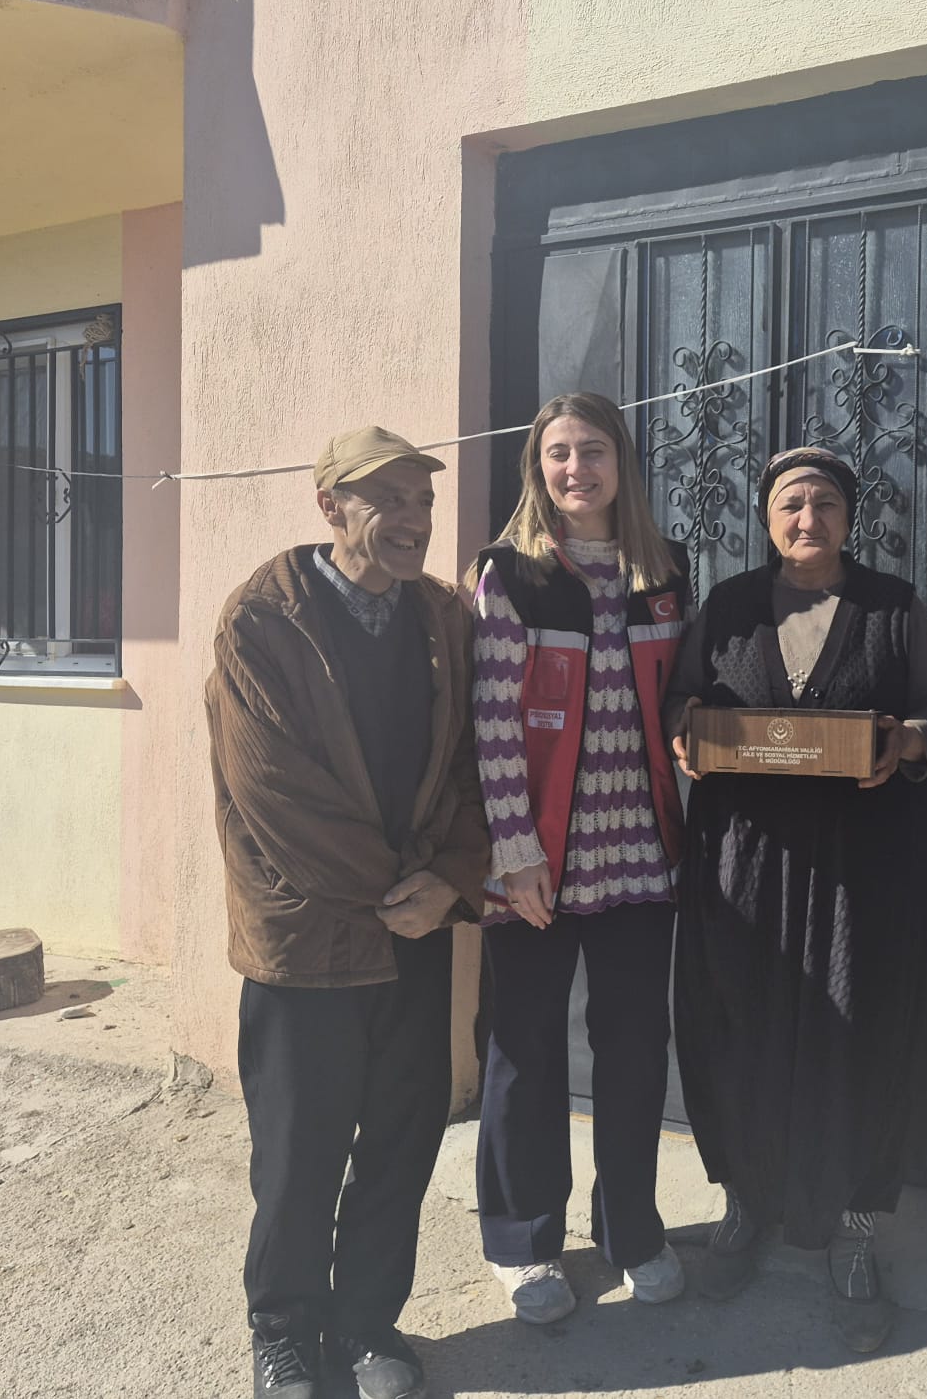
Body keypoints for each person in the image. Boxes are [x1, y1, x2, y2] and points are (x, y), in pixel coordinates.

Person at [206, 425, 492, 1399]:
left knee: (401, 1141)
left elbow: (474, 765)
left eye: (423, 501)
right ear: (330, 506)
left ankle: (368, 1324)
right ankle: (282, 1332)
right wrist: (401, 891)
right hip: (308, 939)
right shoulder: (261, 622)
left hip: (417, 928)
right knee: (300, 1152)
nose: (413, 519)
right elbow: (274, 794)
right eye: (388, 500)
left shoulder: (444, 619)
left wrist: (452, 878)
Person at [664, 447, 927, 1353]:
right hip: (742, 865)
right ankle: (745, 1204)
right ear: (766, 518)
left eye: (825, 503)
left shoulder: (893, 608)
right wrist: (685, 733)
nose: (808, 519)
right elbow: (680, 700)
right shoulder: (727, 607)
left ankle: (856, 1227)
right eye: (791, 503)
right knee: (738, 1027)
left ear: (848, 516)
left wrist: (906, 743)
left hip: (858, 869)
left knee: (858, 1034)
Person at [466, 391, 691, 1326]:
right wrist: (515, 851)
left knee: (634, 1049)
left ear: (620, 462)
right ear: (537, 467)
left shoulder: (663, 570)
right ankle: (522, 1243)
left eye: (592, 451)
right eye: (558, 453)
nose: (575, 470)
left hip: (640, 855)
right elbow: (492, 721)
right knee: (524, 1052)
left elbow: (681, 698)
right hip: (538, 859)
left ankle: (630, 1229)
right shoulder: (511, 572)